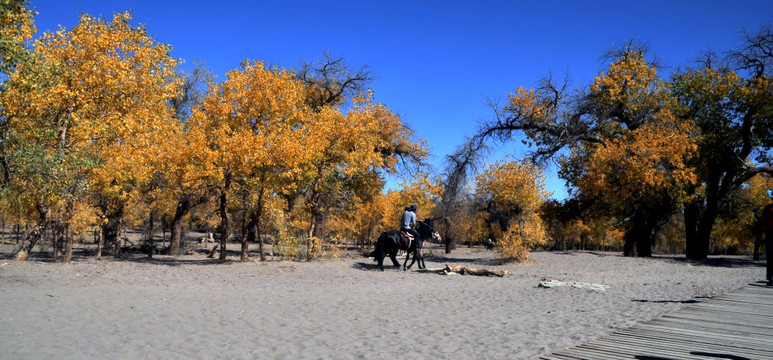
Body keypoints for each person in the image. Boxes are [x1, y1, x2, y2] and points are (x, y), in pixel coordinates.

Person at [755, 189, 773, 286]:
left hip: (770, 235)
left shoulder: (767, 209)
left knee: (770, 256)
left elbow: (762, 224)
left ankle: (770, 277)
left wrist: (758, 237)